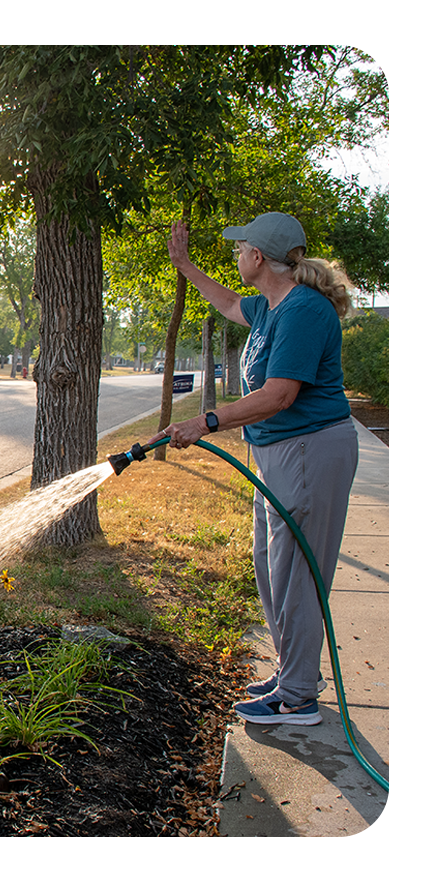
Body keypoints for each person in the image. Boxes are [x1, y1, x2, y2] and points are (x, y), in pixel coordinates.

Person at [158, 212, 358, 726]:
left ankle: (297, 699)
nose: (236, 255)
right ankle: (295, 672)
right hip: (277, 453)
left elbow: (280, 394)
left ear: (259, 257)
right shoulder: (271, 306)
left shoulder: (304, 312)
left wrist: (207, 421)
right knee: (272, 567)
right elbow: (225, 301)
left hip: (310, 451)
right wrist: (185, 265)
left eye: (240, 247)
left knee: (298, 575)